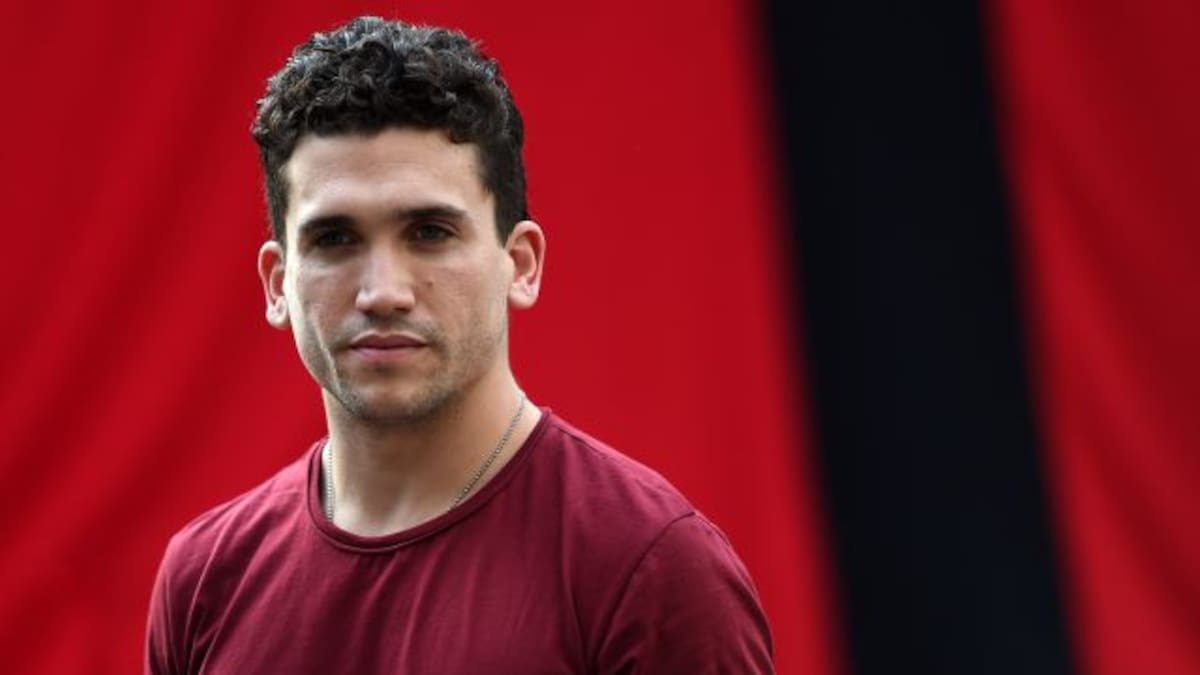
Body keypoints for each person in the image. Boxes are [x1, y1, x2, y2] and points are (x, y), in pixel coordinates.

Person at [145, 16, 774, 674]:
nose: (383, 292)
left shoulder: (650, 568)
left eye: (430, 232)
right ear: (278, 283)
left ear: (520, 263)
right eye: (334, 239)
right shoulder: (204, 580)